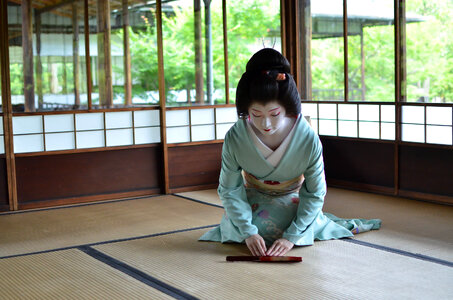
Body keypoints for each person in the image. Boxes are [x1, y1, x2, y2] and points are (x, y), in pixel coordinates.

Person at [199, 48, 381, 256]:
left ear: (287, 108)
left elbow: (314, 192)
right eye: (256, 115)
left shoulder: (307, 138)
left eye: (275, 114)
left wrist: (291, 237)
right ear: (246, 112)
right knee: (248, 222)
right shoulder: (236, 137)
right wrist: (248, 231)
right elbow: (230, 190)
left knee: (280, 222)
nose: (265, 124)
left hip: (292, 199)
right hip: (253, 199)